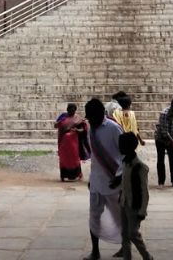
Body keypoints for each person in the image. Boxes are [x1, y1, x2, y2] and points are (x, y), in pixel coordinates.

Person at [83, 97, 123, 260]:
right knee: (94, 217)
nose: (90, 121)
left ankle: (125, 246)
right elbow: (94, 156)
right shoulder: (90, 130)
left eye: (93, 117)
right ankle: (95, 251)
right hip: (96, 182)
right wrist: (92, 178)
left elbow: (125, 154)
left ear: (101, 114)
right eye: (89, 118)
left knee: (120, 217)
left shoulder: (114, 128)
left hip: (114, 182)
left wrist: (120, 177)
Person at [110, 132, 153, 260]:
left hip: (134, 205)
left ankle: (147, 256)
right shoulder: (125, 162)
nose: (119, 147)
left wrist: (142, 211)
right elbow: (124, 178)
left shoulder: (140, 167)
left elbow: (144, 191)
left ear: (129, 147)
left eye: (122, 145)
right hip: (124, 202)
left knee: (133, 234)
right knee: (124, 234)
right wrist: (117, 181)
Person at [153, 97, 173, 188]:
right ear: (172, 107)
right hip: (161, 139)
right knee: (161, 160)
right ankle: (161, 182)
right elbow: (165, 132)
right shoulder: (164, 114)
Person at [55, 103, 88, 181]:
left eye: (73, 110)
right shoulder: (63, 116)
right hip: (64, 142)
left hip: (74, 142)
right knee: (64, 158)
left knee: (75, 158)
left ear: (75, 110)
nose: (71, 112)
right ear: (67, 110)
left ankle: (78, 174)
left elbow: (84, 129)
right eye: (70, 110)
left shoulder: (78, 119)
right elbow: (55, 125)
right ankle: (63, 176)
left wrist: (77, 130)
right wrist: (60, 122)